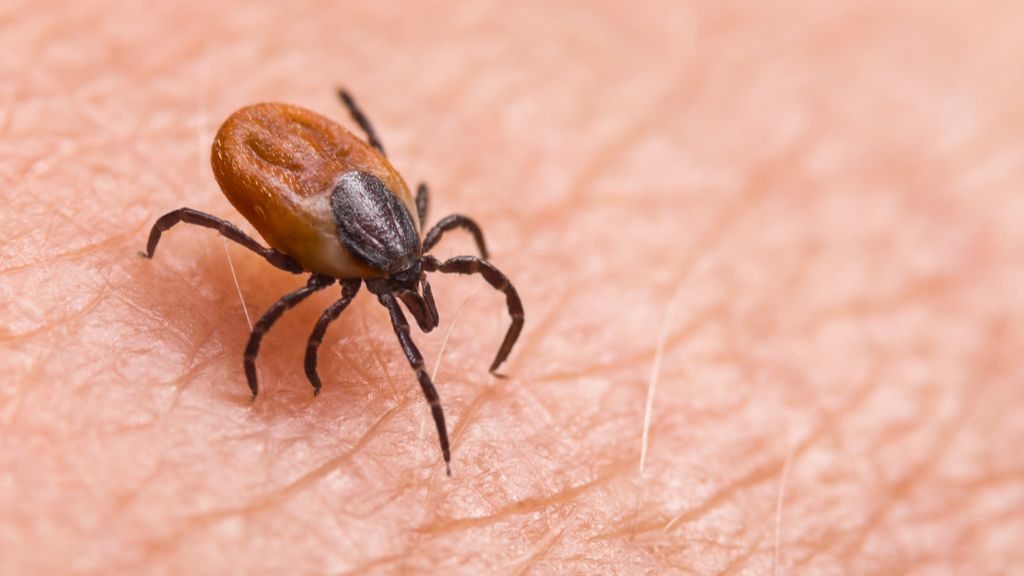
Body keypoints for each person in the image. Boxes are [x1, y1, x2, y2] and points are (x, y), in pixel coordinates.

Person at [1, 2, 1019, 573]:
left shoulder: (396, 251)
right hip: (308, 197)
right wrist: (315, 344)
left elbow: (360, 287)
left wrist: (344, 308)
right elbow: (305, 311)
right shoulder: (396, 250)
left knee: (304, 298)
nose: (419, 295)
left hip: (339, 200)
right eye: (417, 277)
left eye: (423, 271)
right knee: (291, 297)